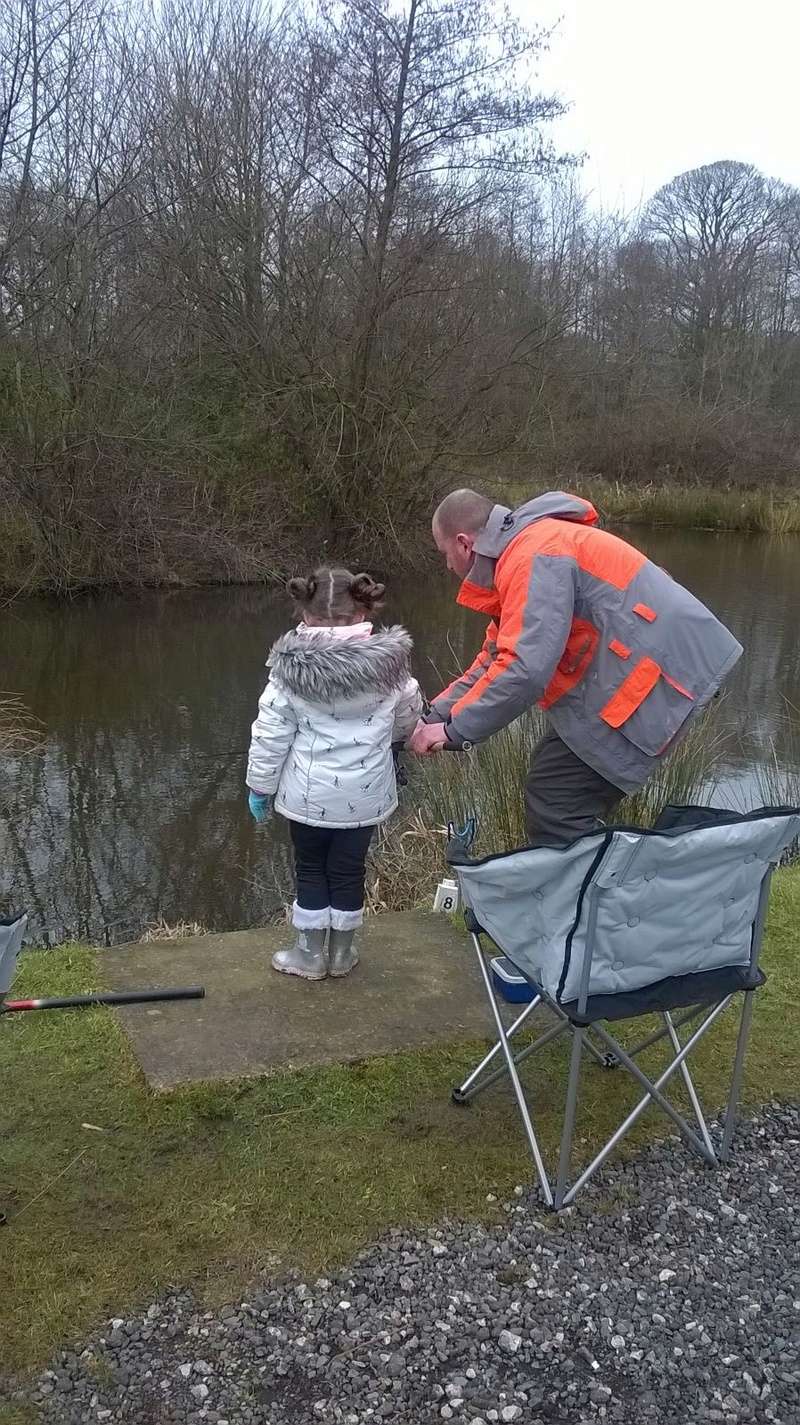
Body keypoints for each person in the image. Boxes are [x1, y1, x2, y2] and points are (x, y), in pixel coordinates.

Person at [410, 488, 742, 845]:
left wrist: (454, 732)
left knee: (557, 799)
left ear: (464, 544)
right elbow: (494, 659)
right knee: (553, 785)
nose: (447, 566)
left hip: (667, 675)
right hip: (646, 671)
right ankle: (586, 889)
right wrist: (431, 717)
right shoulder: (527, 551)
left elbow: (525, 670)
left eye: (444, 554)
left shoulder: (535, 555)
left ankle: (586, 897)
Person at [247, 567, 422, 980]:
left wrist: (260, 787)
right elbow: (408, 716)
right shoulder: (391, 669)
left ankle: (309, 955)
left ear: (303, 615)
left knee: (310, 869)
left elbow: (270, 735)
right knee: (349, 870)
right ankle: (342, 954)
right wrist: (395, 741)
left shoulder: (288, 674)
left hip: (307, 799)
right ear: (364, 612)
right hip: (365, 797)